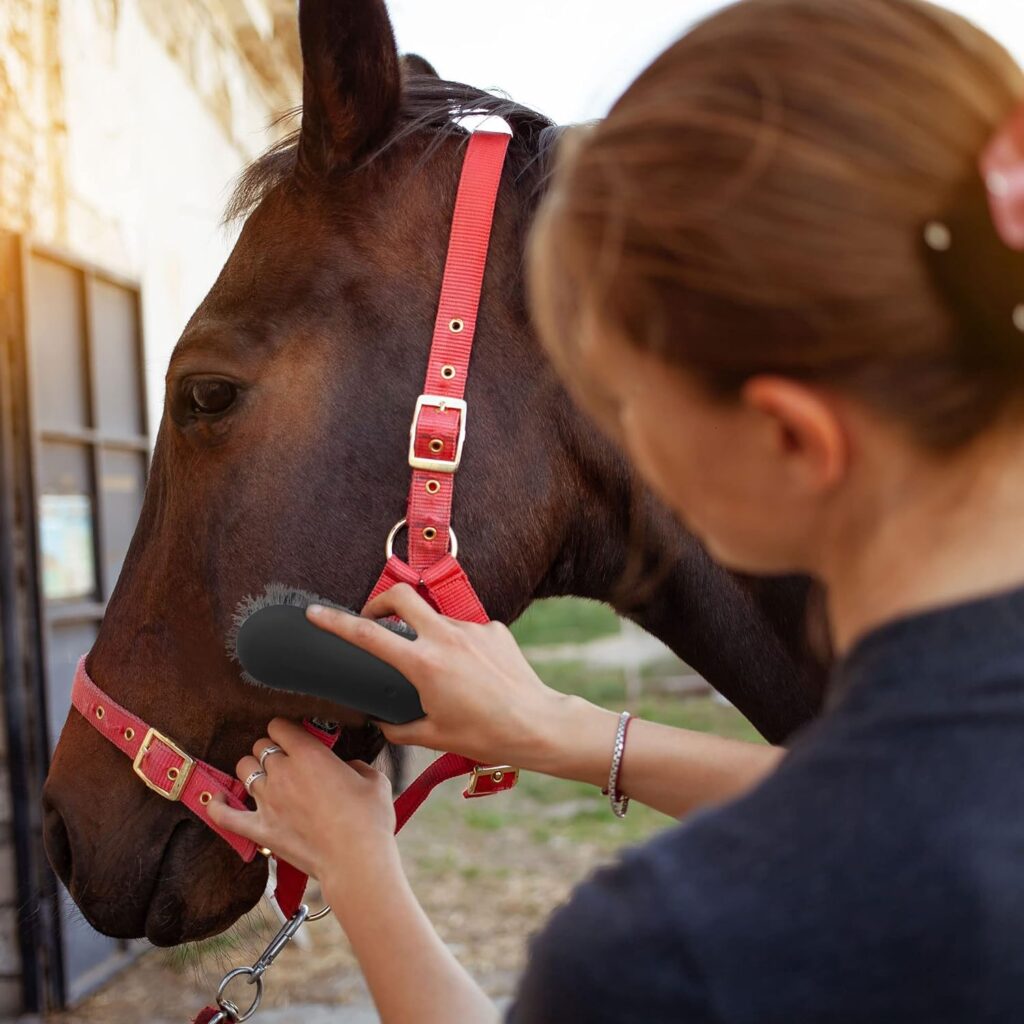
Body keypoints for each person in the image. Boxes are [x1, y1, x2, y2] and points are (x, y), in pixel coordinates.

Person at [210, 0, 1024, 1019]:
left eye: (622, 389)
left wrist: (358, 866)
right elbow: (922, 804)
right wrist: (561, 730)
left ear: (787, 439)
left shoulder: (673, 950)